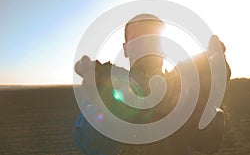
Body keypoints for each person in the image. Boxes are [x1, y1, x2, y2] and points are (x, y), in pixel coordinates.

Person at [73, 14, 231, 155]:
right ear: (125, 49)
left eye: (154, 39)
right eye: (138, 39)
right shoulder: (107, 88)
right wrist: (109, 119)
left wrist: (206, 100)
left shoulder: (182, 87)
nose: (147, 44)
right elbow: (85, 138)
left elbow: (209, 140)